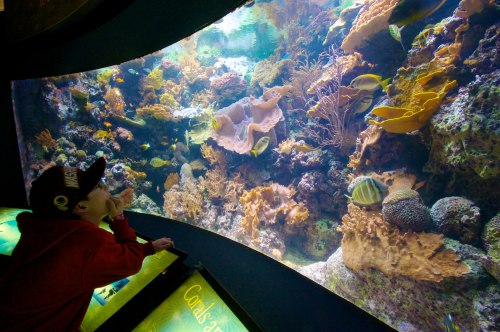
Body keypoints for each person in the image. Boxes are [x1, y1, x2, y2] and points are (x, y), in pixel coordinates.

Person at [0, 157, 174, 331]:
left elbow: (88, 261)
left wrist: (146, 248)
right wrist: (119, 219)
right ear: (81, 207)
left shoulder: (47, 230)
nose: (105, 187)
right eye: (98, 186)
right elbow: (130, 262)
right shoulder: (85, 243)